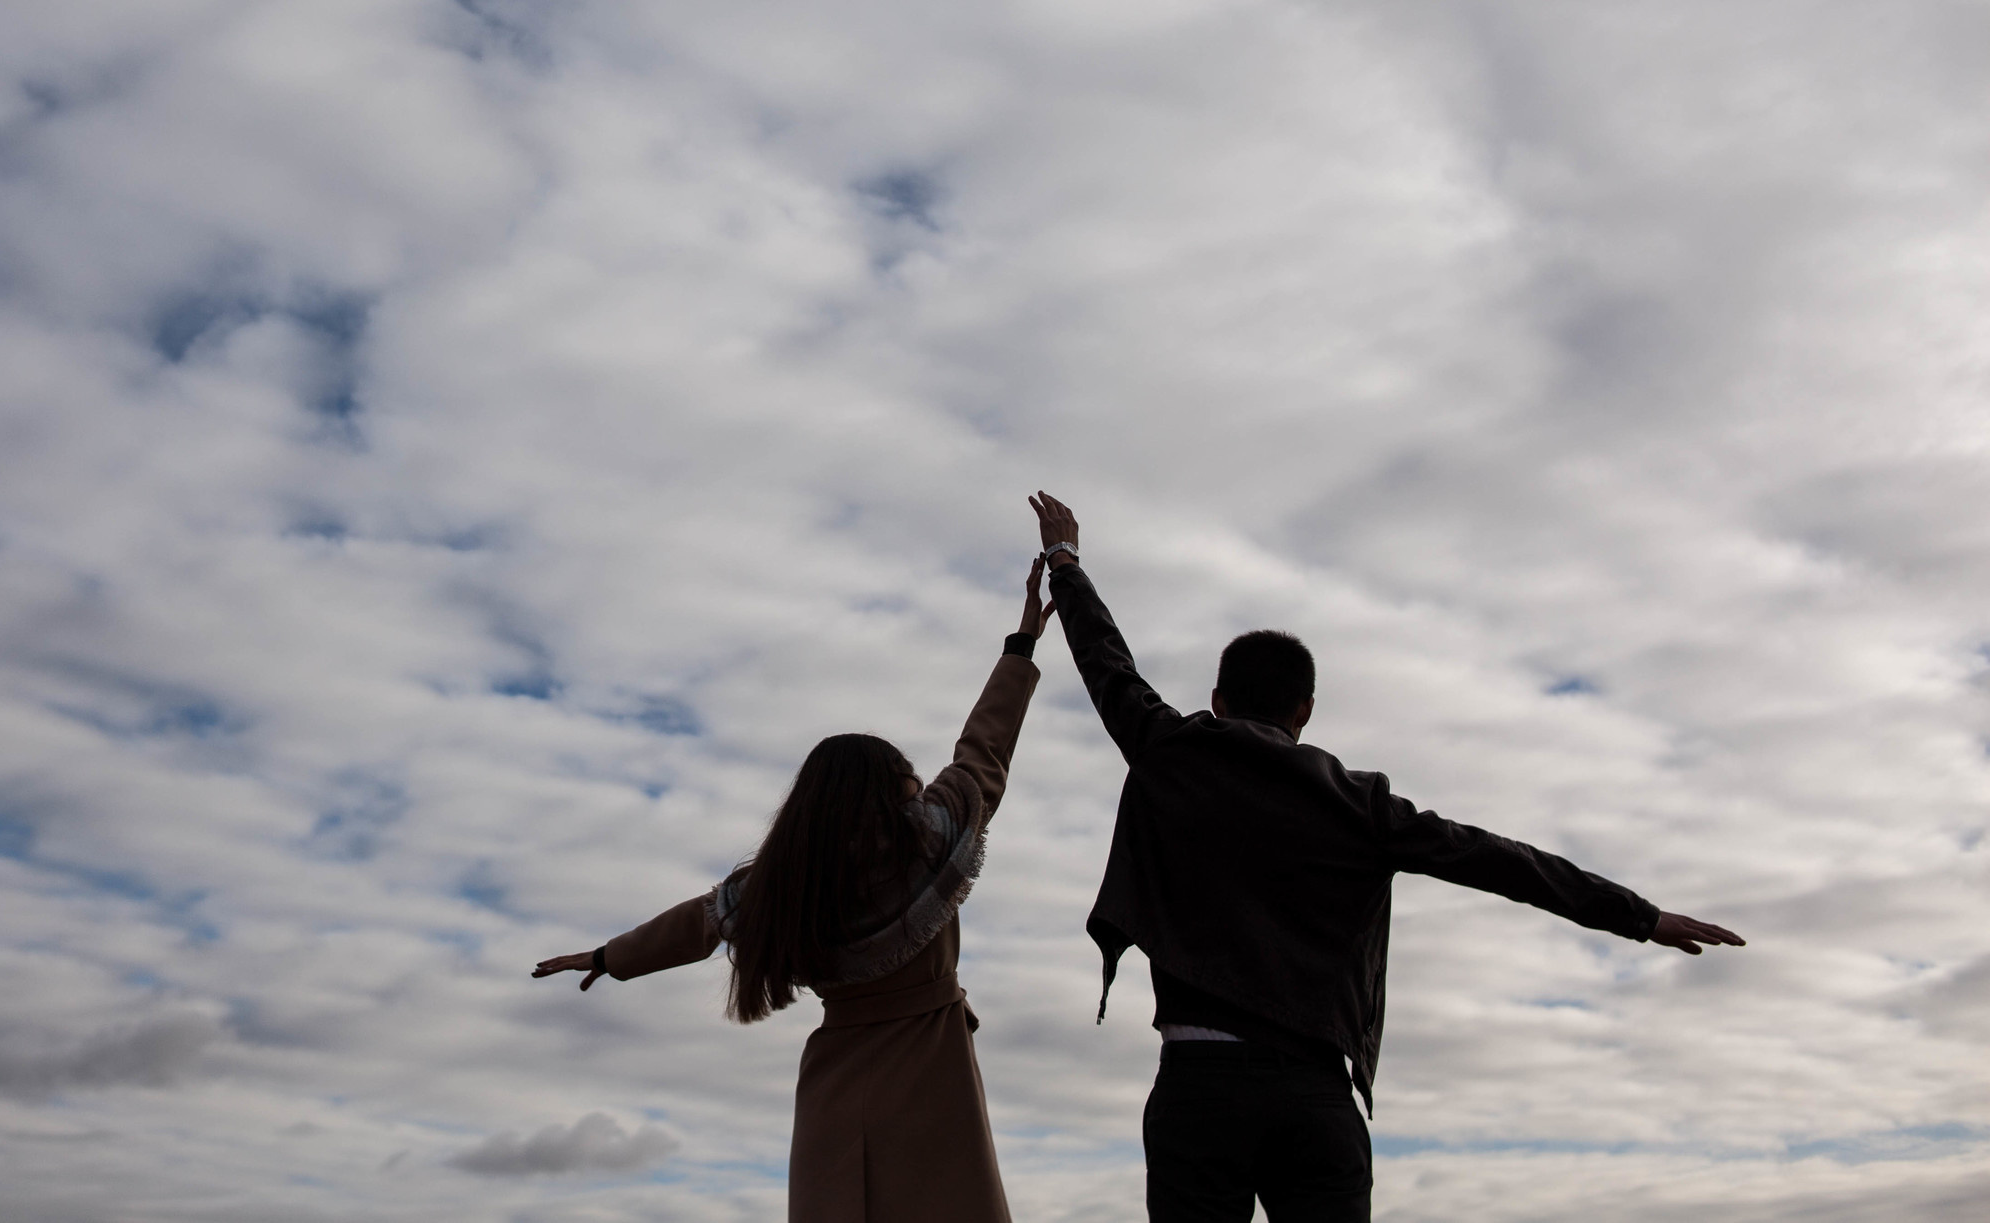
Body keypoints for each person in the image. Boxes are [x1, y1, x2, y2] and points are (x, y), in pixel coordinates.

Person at [1026, 491, 1744, 1223]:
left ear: (1216, 697)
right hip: (1316, 1094)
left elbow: (1104, 660)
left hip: (1199, 1085)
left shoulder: (1170, 752)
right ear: (1305, 709)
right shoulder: (1363, 806)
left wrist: (1066, 560)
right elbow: (1500, 859)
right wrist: (1640, 915)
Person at [531, 558, 1054, 1222]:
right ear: (890, 788)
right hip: (931, 1071)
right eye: (908, 774)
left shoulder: (788, 883)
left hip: (838, 1084)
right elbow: (985, 745)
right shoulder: (929, 843)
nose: (920, 783)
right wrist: (1020, 648)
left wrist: (610, 956)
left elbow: (701, 921)